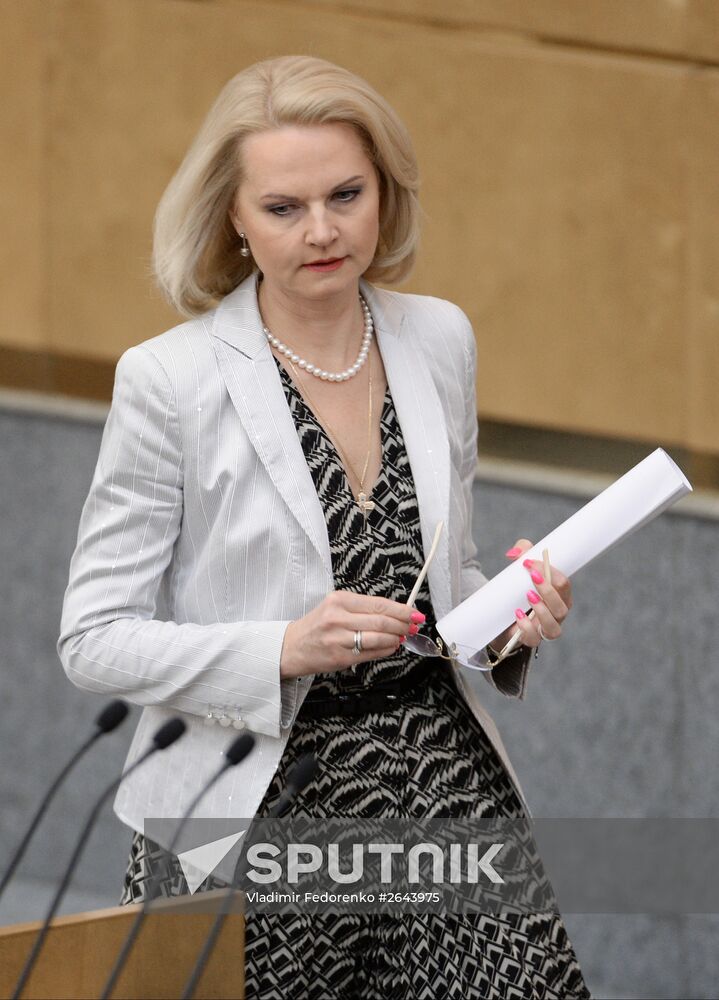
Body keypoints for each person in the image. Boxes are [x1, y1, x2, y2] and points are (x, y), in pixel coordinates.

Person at [58, 54, 589, 998]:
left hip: (440, 785)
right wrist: (282, 647)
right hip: (249, 810)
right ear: (232, 215)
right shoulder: (167, 380)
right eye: (283, 207)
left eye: (346, 194)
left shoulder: (439, 338)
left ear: (384, 190)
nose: (322, 230)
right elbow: (94, 641)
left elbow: (444, 575)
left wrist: (507, 615)